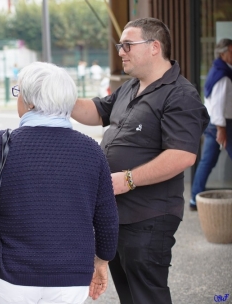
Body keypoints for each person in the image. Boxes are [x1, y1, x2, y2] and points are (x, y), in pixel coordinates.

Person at [71, 17, 209, 304]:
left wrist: (128, 180)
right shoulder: (130, 87)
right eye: (121, 45)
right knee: (130, 297)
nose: (121, 51)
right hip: (116, 216)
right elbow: (94, 112)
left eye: (127, 45)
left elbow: (183, 154)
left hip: (149, 218)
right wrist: (57, 95)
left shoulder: (181, 94)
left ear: (154, 47)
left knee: (148, 296)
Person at [0, 61, 119, 304]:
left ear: (31, 102)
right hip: (73, 277)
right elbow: (107, 218)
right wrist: (102, 260)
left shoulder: (4, 143)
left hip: (15, 275)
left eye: (18, 92)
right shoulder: (91, 150)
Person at [190, 38, 232, 210]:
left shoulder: (219, 70)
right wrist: (221, 130)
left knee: (208, 161)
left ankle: (194, 199)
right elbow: (218, 105)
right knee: (208, 161)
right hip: (221, 125)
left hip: (217, 124)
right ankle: (194, 198)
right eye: (231, 50)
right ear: (224, 53)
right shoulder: (223, 76)